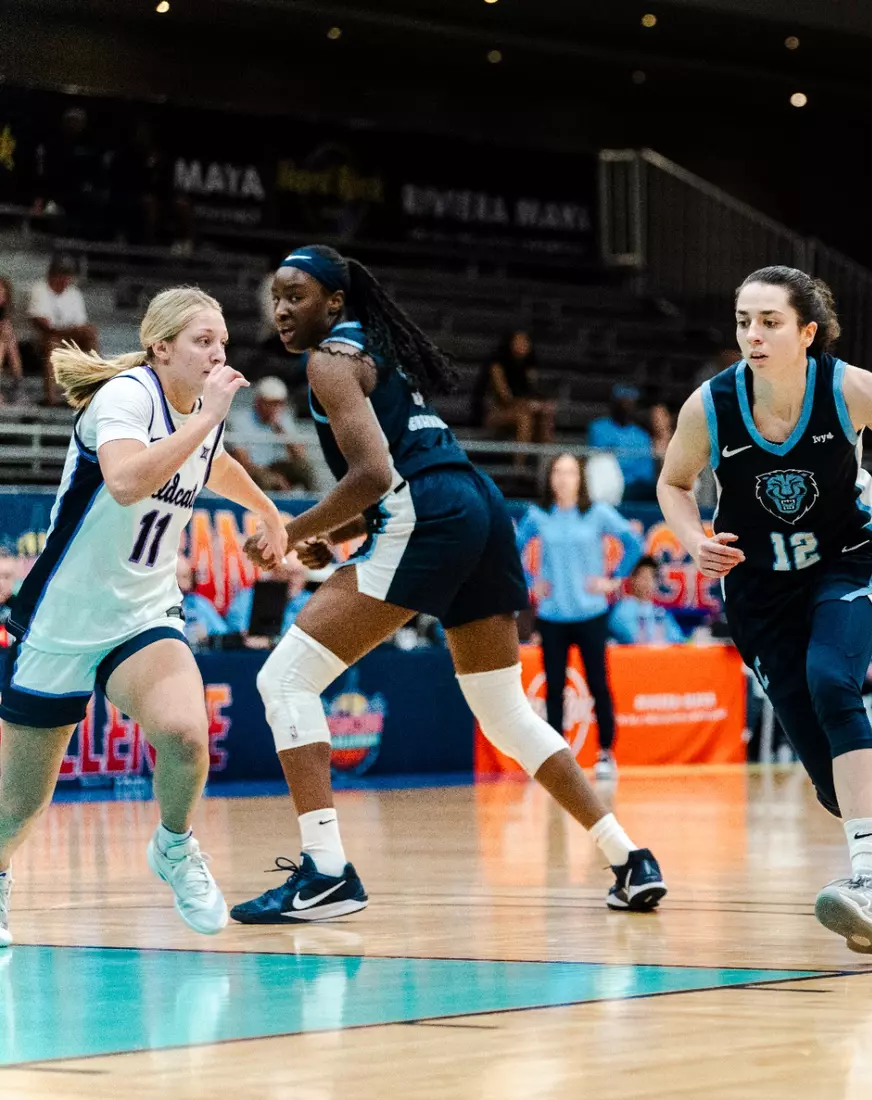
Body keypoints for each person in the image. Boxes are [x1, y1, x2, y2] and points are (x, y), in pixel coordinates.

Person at [230, 245, 665, 924]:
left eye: (297, 295)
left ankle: (326, 872)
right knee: (505, 712)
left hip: (431, 514)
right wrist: (335, 536)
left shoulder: (328, 363)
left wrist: (291, 530)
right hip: (476, 505)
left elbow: (376, 478)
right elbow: (397, 478)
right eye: (276, 297)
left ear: (334, 303)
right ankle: (629, 857)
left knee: (282, 681)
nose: (282, 308)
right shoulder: (371, 349)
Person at [657, 264, 872, 954]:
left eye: (769, 321)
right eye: (744, 320)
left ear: (808, 331)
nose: (753, 334)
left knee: (835, 681)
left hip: (845, 563)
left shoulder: (849, 388)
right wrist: (693, 540)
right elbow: (674, 483)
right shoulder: (709, 406)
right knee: (826, 774)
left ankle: (864, 886)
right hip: (757, 590)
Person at [0, 287, 287, 945]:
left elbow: (217, 467)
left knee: (186, 734)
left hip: (142, 615)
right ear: (162, 348)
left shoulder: (194, 415)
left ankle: (175, 846)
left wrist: (268, 511)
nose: (218, 353)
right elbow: (127, 479)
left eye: (222, 341)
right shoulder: (127, 397)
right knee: (17, 809)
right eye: (202, 341)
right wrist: (206, 419)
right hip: (60, 621)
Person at [516, 453, 644, 779]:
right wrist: (531, 583)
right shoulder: (537, 515)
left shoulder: (597, 513)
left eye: (570, 472)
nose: (563, 478)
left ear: (580, 478)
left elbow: (633, 542)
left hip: (590, 613)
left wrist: (614, 579)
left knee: (598, 683)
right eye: (558, 472)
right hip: (553, 614)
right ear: (549, 478)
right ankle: (559, 759)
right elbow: (513, 551)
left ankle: (605, 754)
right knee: (555, 686)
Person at [27, 254, 99, 408]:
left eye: (67, 275)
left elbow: (80, 325)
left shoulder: (74, 293)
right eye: (61, 274)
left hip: (67, 337)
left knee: (91, 335)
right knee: (52, 343)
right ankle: (51, 398)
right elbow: (43, 324)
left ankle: (90, 392)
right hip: (40, 341)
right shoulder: (39, 289)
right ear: (52, 274)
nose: (64, 279)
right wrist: (66, 330)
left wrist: (67, 331)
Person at [474, 331, 555, 463]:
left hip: (523, 409)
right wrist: (530, 405)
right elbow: (505, 398)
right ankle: (518, 468)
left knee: (546, 414)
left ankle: (546, 465)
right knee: (524, 418)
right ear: (509, 344)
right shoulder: (497, 366)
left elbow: (533, 392)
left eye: (525, 342)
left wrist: (542, 405)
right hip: (495, 413)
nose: (522, 345)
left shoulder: (529, 367)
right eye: (518, 341)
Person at [228, 376, 316, 491]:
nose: (276, 408)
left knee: (305, 468)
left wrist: (280, 429)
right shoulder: (240, 420)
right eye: (271, 403)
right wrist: (274, 477)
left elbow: (300, 455)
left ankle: (318, 503)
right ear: (258, 401)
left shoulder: (284, 420)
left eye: (279, 404)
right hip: (253, 469)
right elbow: (243, 460)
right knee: (267, 481)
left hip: (277, 466)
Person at [588, 383, 654, 500]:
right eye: (622, 400)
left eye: (630, 401)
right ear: (614, 403)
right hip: (606, 486)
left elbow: (645, 473)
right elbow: (599, 462)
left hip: (633, 489)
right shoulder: (598, 428)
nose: (626, 404)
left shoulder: (642, 436)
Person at [609, 556, 685, 645]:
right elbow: (634, 638)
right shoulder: (623, 609)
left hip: (661, 657)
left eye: (652, 578)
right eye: (644, 577)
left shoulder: (660, 612)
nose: (648, 582)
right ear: (633, 579)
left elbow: (678, 639)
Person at [176, 555, 232, 647]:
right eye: (175, 577)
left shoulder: (199, 603)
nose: (180, 583)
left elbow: (223, 633)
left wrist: (207, 637)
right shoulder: (157, 605)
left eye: (185, 577)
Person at [0, 276, 24, 403]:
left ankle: (17, 384)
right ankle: (17, 383)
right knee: (4, 339)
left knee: (8, 337)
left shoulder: (4, 316)